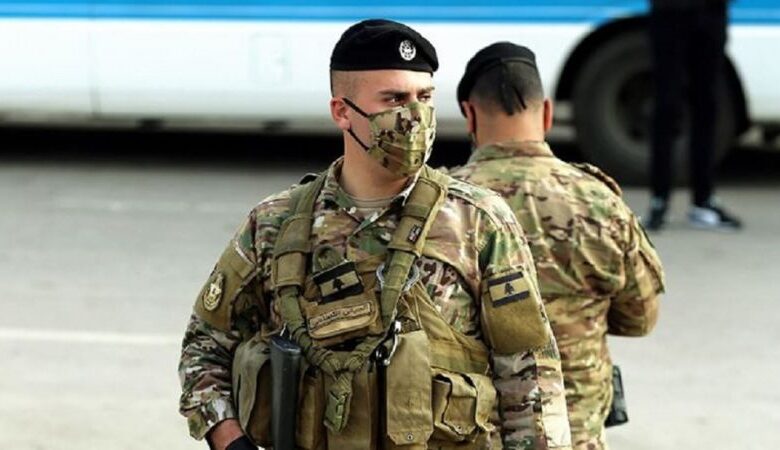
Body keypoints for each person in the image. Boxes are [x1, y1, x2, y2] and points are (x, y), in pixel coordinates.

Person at [178, 20, 572, 450]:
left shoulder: (477, 220)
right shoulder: (274, 225)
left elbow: (531, 379)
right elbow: (204, 347)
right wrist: (230, 440)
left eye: (425, 97)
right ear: (342, 112)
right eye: (394, 99)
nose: (415, 115)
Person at [450, 42, 665, 449]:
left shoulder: (445, 205)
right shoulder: (600, 201)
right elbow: (640, 318)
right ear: (547, 113)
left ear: (470, 115)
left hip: (478, 434)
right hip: (576, 434)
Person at [645, 0, 741, 230]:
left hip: (710, 12)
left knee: (706, 106)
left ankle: (703, 200)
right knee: (666, 107)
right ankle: (659, 199)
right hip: (669, 13)